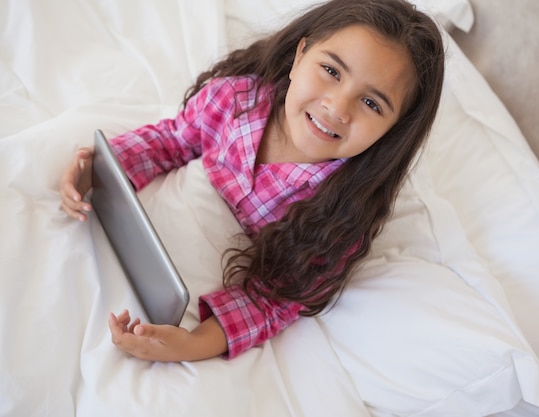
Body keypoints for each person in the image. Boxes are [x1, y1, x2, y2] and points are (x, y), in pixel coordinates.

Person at [59, 0, 444, 362]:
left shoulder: (341, 213)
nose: (337, 108)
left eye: (372, 103)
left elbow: (273, 300)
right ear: (299, 56)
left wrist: (194, 343)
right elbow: (174, 139)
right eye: (331, 71)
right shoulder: (233, 99)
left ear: (393, 130)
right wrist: (101, 167)